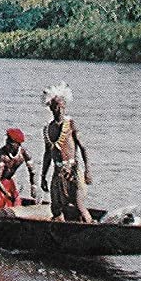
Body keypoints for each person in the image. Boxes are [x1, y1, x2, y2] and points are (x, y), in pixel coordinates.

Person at [40, 83, 93, 223]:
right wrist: (43, 176)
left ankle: (90, 225)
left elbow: (83, 148)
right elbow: (47, 154)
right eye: (56, 107)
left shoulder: (71, 125)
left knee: (79, 205)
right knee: (55, 207)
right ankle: (61, 229)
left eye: (62, 106)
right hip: (57, 173)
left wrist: (87, 171)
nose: (60, 110)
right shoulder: (47, 129)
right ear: (51, 108)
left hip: (73, 171)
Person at [0, 128, 35, 213]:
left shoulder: (24, 153)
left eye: (10, 142)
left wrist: (33, 186)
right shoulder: (2, 154)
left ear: (18, 144)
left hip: (8, 180)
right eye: (7, 140)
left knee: (16, 203)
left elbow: (32, 171)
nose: (7, 143)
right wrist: (5, 193)